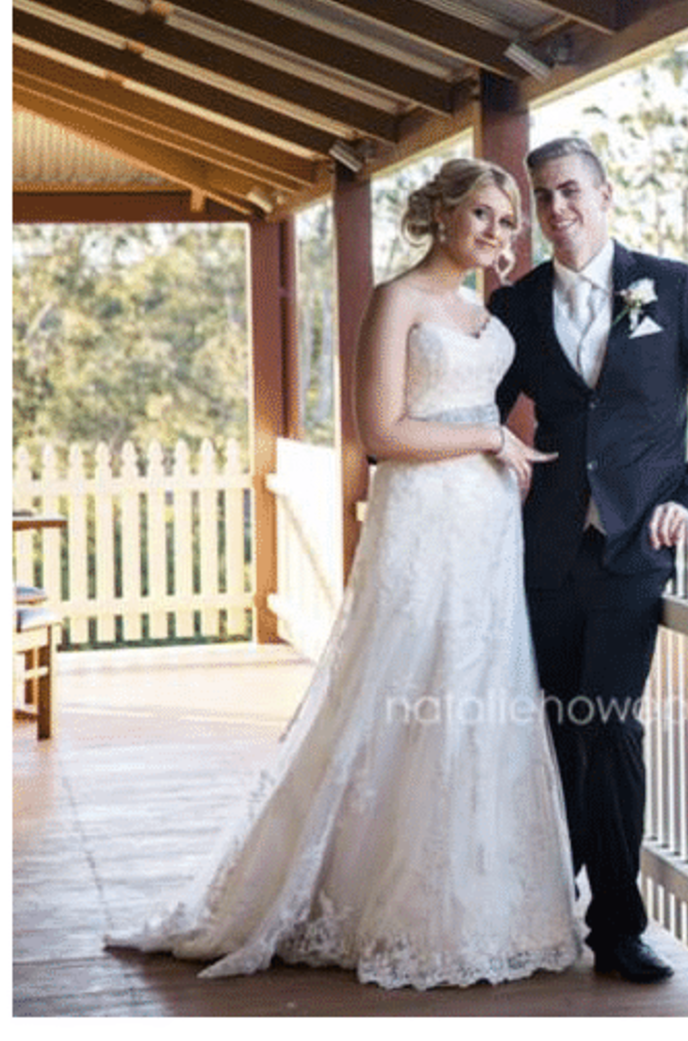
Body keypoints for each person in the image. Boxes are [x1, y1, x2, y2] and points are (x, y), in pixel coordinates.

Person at [106, 158, 582, 989]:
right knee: (402, 682)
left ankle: (482, 901)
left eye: (509, 222)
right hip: (424, 515)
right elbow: (382, 432)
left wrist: (509, 450)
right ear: (442, 213)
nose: (497, 233)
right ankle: (372, 895)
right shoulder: (396, 299)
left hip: (487, 524)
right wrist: (488, 439)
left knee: (479, 688)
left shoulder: (488, 308)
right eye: (482, 214)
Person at [488, 136, 688, 985]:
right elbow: (481, 411)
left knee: (609, 726)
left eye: (570, 190)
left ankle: (616, 927)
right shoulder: (518, 306)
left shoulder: (670, 287)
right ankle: (546, 905)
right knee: (557, 730)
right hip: (548, 554)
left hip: (634, 550)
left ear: (606, 195)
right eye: (543, 196)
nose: (557, 208)